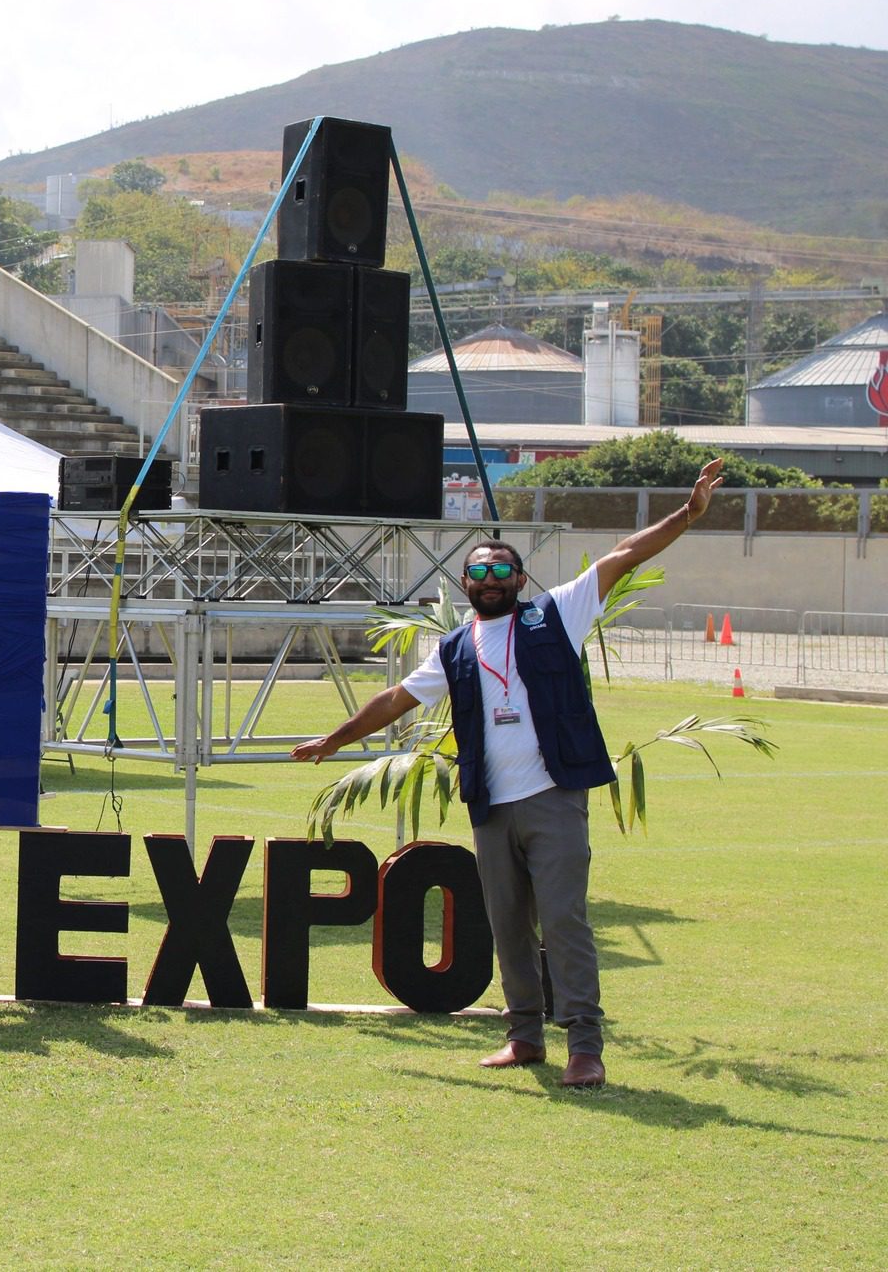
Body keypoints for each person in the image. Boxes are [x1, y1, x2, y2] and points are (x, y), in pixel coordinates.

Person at [291, 457, 727, 1088]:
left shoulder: (555, 615)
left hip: (553, 797)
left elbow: (624, 555)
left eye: (501, 570)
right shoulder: (454, 648)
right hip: (492, 806)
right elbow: (394, 700)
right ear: (464, 582)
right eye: (479, 571)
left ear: (520, 578)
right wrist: (335, 739)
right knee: (507, 926)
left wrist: (687, 514)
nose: (490, 579)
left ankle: (585, 1046)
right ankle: (523, 1036)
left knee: (564, 922)